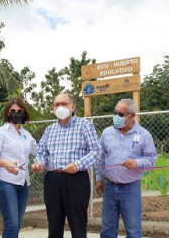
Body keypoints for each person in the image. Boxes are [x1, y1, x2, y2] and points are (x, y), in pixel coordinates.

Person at [31, 93, 102, 238]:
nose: (60, 107)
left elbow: (96, 150)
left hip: (76, 179)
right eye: (56, 104)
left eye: (63, 103)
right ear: (53, 108)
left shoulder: (84, 125)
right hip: (52, 179)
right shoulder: (49, 130)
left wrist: (78, 164)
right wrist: (38, 163)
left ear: (72, 106)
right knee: (54, 225)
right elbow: (42, 152)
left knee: (78, 225)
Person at [95, 99, 158, 238]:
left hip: (131, 189)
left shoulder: (144, 135)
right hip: (109, 187)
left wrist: (137, 162)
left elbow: (152, 159)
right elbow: (101, 157)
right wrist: (98, 178)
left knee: (133, 230)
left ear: (132, 115)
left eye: (121, 114)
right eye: (115, 112)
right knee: (107, 229)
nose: (116, 116)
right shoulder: (107, 133)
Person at [0, 97, 38, 238]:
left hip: (24, 183)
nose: (16, 113)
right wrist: (5, 163)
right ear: (7, 113)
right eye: (13, 111)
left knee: (17, 224)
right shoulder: (0, 132)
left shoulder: (27, 134)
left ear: (24, 113)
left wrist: (40, 162)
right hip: (4, 181)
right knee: (12, 224)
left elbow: (39, 151)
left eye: (19, 111)